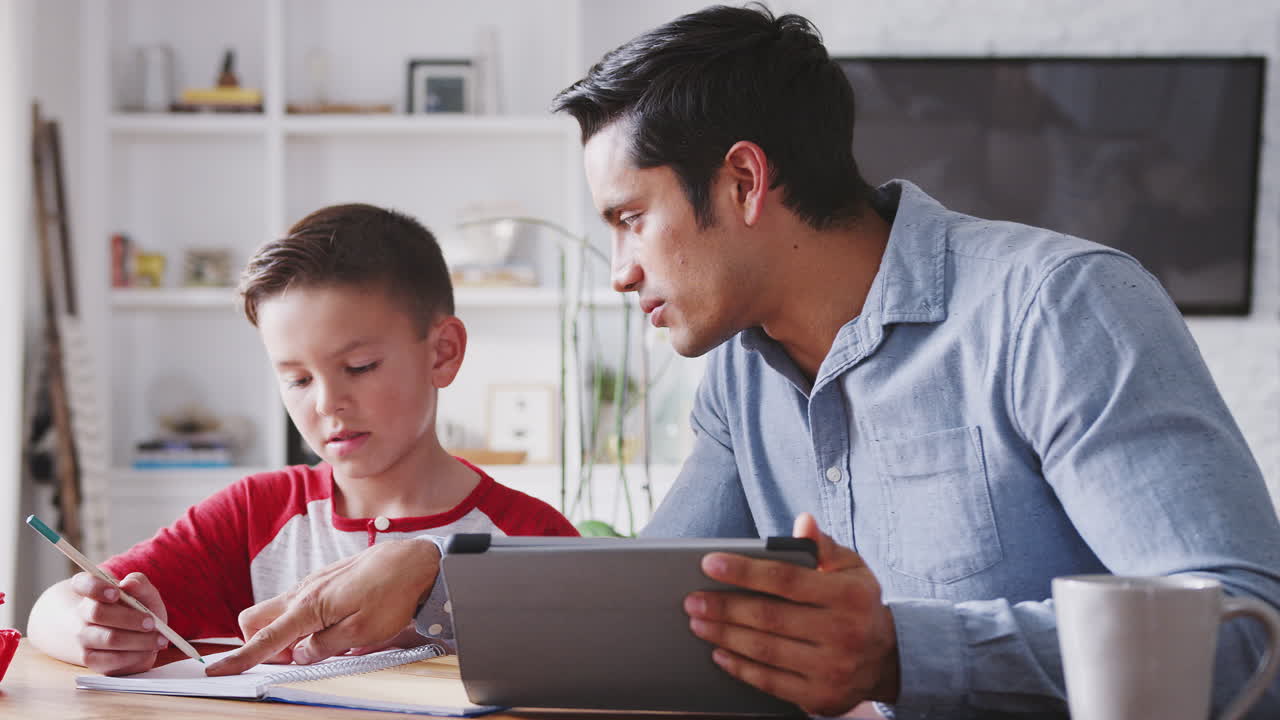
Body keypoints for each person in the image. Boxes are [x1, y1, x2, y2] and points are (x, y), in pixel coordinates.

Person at [204, 6, 1280, 719]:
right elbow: (651, 611)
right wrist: (435, 571)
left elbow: (1248, 634)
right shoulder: (739, 374)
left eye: (630, 219)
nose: (618, 272)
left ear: (744, 182)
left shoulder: (1057, 307)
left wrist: (902, 651)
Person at [27, 203, 577, 676]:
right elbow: (53, 608)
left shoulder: (533, 536)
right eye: (297, 379)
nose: (327, 403)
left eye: (359, 367)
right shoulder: (253, 515)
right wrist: (93, 630)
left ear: (442, 352)